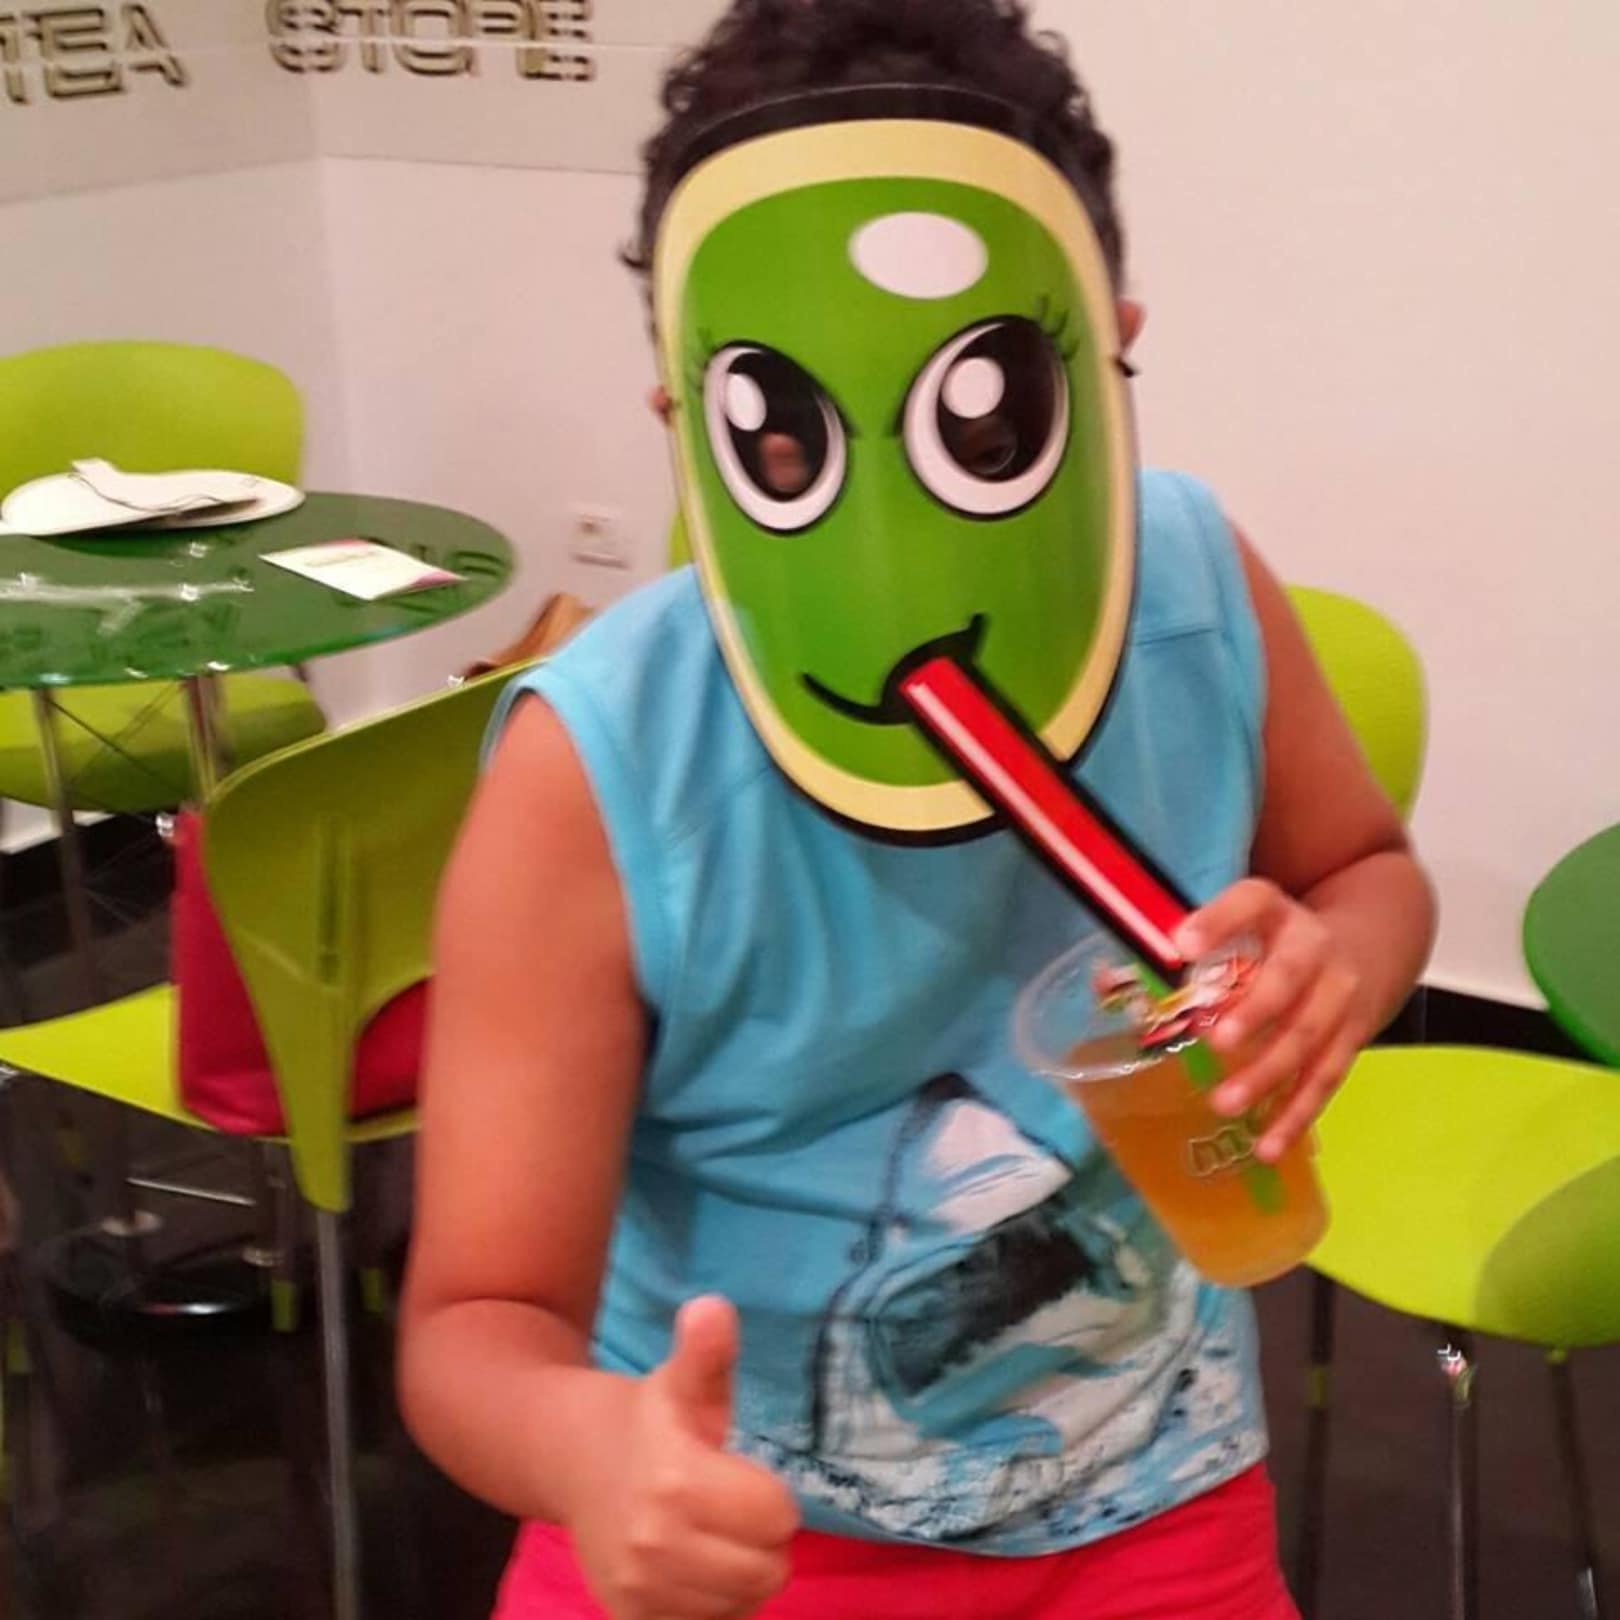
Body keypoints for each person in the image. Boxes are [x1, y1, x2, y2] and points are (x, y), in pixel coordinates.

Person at [399, 4, 1437, 1618]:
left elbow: (1367, 869)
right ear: (689, 427)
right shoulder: (600, 772)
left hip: (1158, 1495)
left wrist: (1337, 970)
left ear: (1111, 360)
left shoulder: (1195, 590)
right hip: (733, 1533)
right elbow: (474, 1323)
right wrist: (597, 1455)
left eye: (992, 423)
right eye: (786, 441)